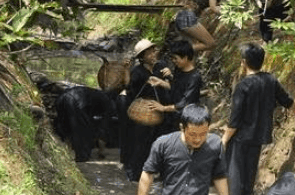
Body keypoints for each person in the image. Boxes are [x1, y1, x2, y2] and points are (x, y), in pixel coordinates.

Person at [221, 43, 295, 195]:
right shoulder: (270, 80)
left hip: (241, 135)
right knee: (250, 170)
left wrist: (224, 139)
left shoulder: (243, 86)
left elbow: (235, 118)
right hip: (259, 135)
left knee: (235, 170)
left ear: (244, 62)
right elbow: (286, 100)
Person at [123, 39, 170, 181]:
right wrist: (126, 71)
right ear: (142, 57)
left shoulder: (161, 66)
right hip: (144, 111)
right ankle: (136, 173)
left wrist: (169, 76)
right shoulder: (137, 72)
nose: (153, 55)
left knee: (160, 141)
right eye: (149, 53)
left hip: (162, 108)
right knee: (141, 142)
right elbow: (130, 90)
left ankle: (159, 171)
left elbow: (171, 83)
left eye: (153, 51)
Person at [147, 39, 203, 135]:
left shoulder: (195, 78)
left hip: (186, 119)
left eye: (175, 58)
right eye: (172, 58)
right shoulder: (178, 69)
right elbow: (175, 88)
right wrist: (161, 82)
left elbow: (183, 104)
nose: (173, 61)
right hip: (173, 116)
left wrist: (163, 108)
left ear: (185, 58)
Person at [53, 85, 116, 162]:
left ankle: (61, 153)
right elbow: (104, 125)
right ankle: (82, 156)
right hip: (75, 101)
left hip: (61, 98)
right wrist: (101, 139)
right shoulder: (109, 103)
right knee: (82, 131)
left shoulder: (96, 94)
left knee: (65, 127)